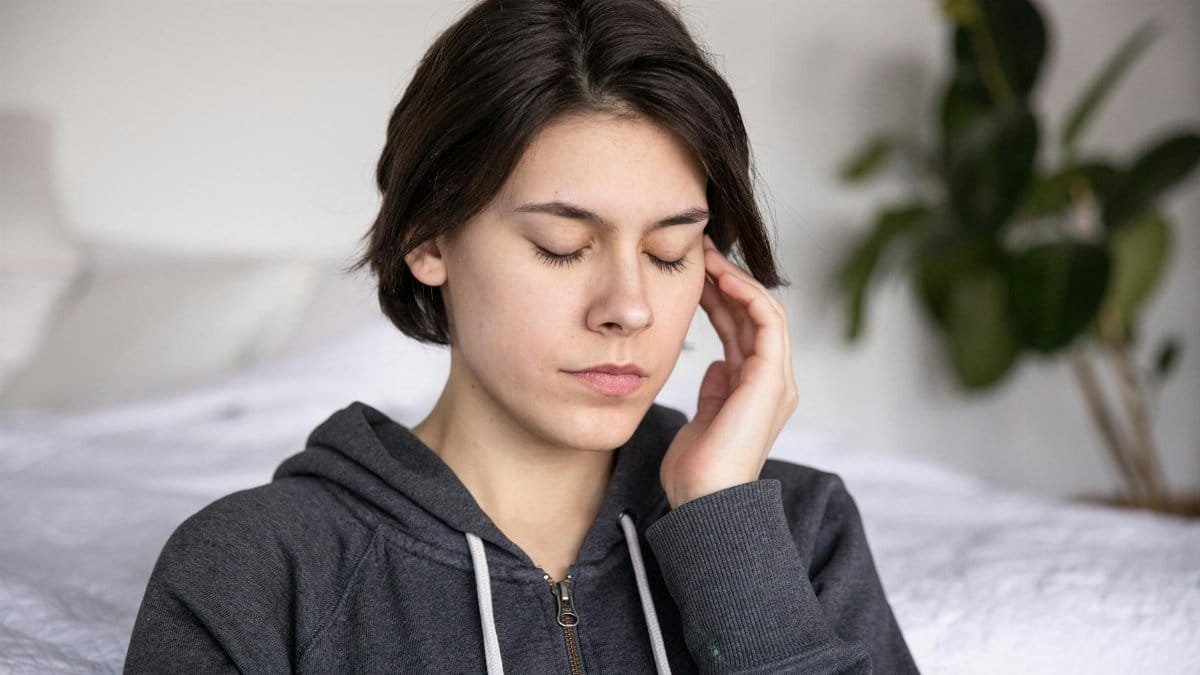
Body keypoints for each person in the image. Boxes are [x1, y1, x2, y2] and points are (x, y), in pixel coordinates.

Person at [123, 0, 919, 672]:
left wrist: (724, 529)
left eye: (669, 251)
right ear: (429, 239)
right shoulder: (257, 566)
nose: (629, 308)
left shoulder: (800, 529)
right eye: (562, 246)